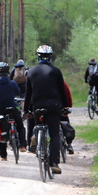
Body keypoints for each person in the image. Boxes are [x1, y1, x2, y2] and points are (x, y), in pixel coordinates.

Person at [23, 45, 69, 174]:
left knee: (38, 123)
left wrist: (26, 110)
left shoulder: (31, 72)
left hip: (37, 105)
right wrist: (65, 107)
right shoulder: (56, 71)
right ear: (50, 56)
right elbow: (62, 91)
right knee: (54, 134)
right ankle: (54, 163)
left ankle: (35, 135)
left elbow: (28, 94)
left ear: (38, 56)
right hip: (53, 105)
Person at [0, 62, 27, 160]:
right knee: (20, 126)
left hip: (0, 110)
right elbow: (18, 92)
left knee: (2, 131)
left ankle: (3, 156)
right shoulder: (12, 83)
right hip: (13, 108)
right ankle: (22, 145)